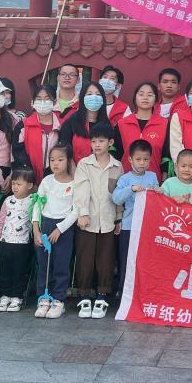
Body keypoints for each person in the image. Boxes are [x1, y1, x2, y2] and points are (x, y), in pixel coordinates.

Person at [72, 122, 122, 320]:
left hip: (108, 220)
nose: (97, 145)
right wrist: (83, 213)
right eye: (94, 141)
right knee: (85, 258)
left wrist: (118, 218)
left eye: (101, 141)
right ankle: (84, 294)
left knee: (106, 259)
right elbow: (81, 190)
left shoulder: (117, 166)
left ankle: (102, 295)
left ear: (110, 142)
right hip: (88, 219)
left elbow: (119, 194)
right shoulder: (84, 164)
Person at [33, 143, 78, 319]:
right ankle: (44, 297)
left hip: (64, 228)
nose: (55, 163)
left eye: (60, 159)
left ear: (69, 161)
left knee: (61, 265)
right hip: (45, 225)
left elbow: (76, 211)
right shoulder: (47, 181)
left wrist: (60, 229)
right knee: (44, 264)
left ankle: (58, 300)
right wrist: (36, 230)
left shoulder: (75, 184)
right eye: (52, 160)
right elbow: (37, 204)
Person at [112, 139, 159, 295]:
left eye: (146, 159)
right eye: (138, 159)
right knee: (126, 260)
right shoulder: (125, 179)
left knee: (144, 261)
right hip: (129, 226)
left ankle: (142, 291)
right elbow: (116, 198)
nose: (142, 163)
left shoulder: (152, 176)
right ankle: (123, 291)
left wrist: (159, 192)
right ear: (130, 159)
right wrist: (131, 189)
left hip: (146, 227)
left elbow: (158, 200)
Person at [0, 168, 35, 312]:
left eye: (19, 184)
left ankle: (17, 297)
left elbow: (36, 221)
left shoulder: (33, 201)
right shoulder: (8, 200)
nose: (15, 187)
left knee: (19, 271)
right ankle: (5, 295)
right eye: (13, 184)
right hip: (5, 242)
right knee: (3, 270)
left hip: (22, 244)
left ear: (29, 185)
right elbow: (0, 220)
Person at [117, 83, 167, 178]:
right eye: (141, 94)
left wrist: (164, 180)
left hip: (154, 180)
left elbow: (166, 155)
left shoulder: (164, 124)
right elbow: (116, 155)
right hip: (126, 179)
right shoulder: (122, 124)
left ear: (156, 100)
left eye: (149, 95)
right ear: (135, 98)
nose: (145, 98)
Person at [60, 81, 116, 164]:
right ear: (83, 98)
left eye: (98, 94)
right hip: (75, 169)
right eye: (89, 94)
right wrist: (75, 170)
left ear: (102, 99)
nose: (94, 97)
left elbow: (112, 150)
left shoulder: (107, 124)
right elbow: (65, 151)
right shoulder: (71, 122)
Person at [15, 84, 61, 184]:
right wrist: (30, 179)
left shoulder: (61, 126)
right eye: (39, 99)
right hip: (29, 181)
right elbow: (18, 154)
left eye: (47, 99)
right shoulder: (23, 126)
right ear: (33, 102)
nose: (43, 102)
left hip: (54, 180)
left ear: (54, 101)